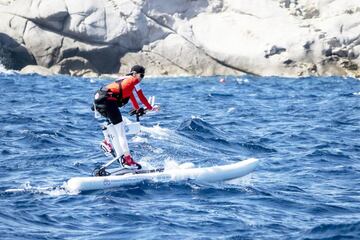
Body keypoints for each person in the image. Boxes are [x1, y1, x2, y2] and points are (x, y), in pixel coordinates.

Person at [93, 65, 157, 169]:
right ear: (135, 74)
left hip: (98, 100)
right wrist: (150, 108)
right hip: (107, 101)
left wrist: (137, 108)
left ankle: (107, 142)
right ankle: (127, 159)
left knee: (113, 125)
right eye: (141, 75)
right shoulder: (133, 80)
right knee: (121, 131)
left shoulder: (123, 80)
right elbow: (141, 96)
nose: (141, 78)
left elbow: (131, 97)